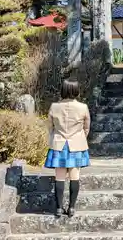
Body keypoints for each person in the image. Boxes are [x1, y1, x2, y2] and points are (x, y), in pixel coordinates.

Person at [44, 79, 91, 217]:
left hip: (59, 144)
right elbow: (86, 127)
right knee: (74, 176)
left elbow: (49, 127)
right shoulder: (83, 107)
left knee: (59, 177)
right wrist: (80, 138)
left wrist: (56, 136)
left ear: (63, 90)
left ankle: (59, 208)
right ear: (76, 90)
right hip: (76, 144)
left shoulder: (54, 107)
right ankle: (71, 207)